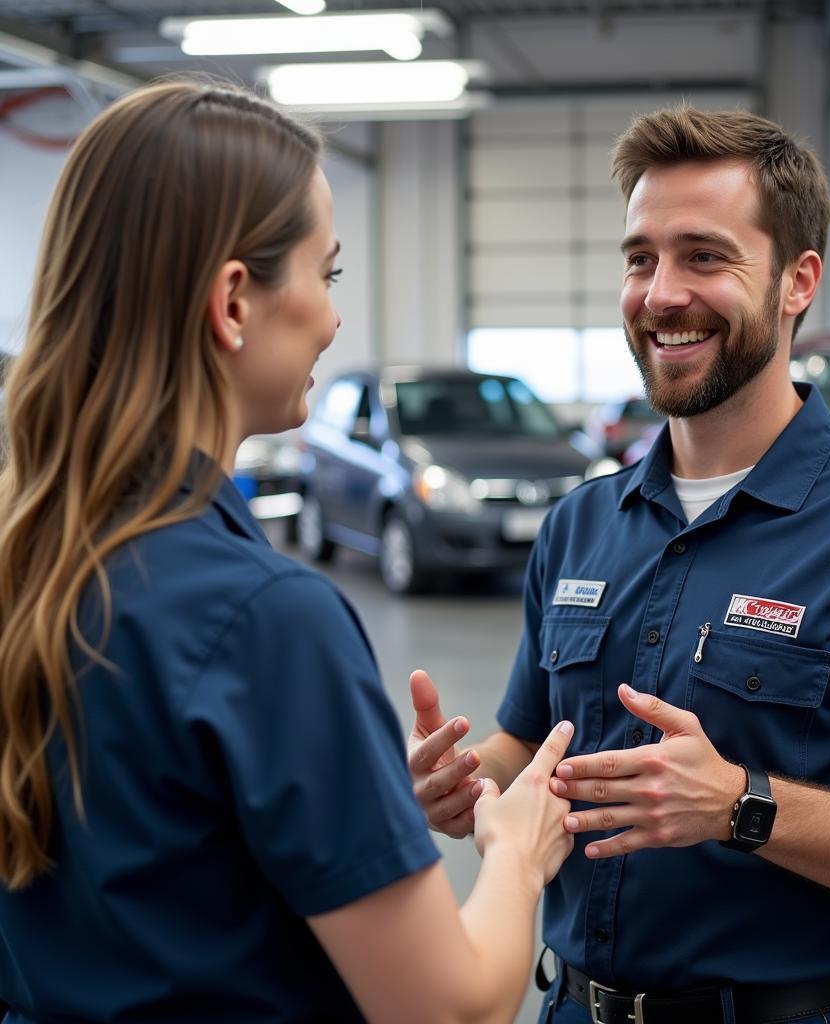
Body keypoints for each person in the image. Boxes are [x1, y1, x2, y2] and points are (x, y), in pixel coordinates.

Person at [407, 106, 830, 1024]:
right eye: (640, 258)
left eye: (705, 256)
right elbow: (533, 741)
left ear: (795, 282)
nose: (660, 294)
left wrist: (743, 803)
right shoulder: (581, 524)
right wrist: (468, 782)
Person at [0, 79, 576, 1024]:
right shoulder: (263, 618)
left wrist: (356, 785)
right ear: (234, 302)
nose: (334, 316)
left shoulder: (38, 565)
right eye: (327, 273)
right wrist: (517, 848)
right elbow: (450, 1007)